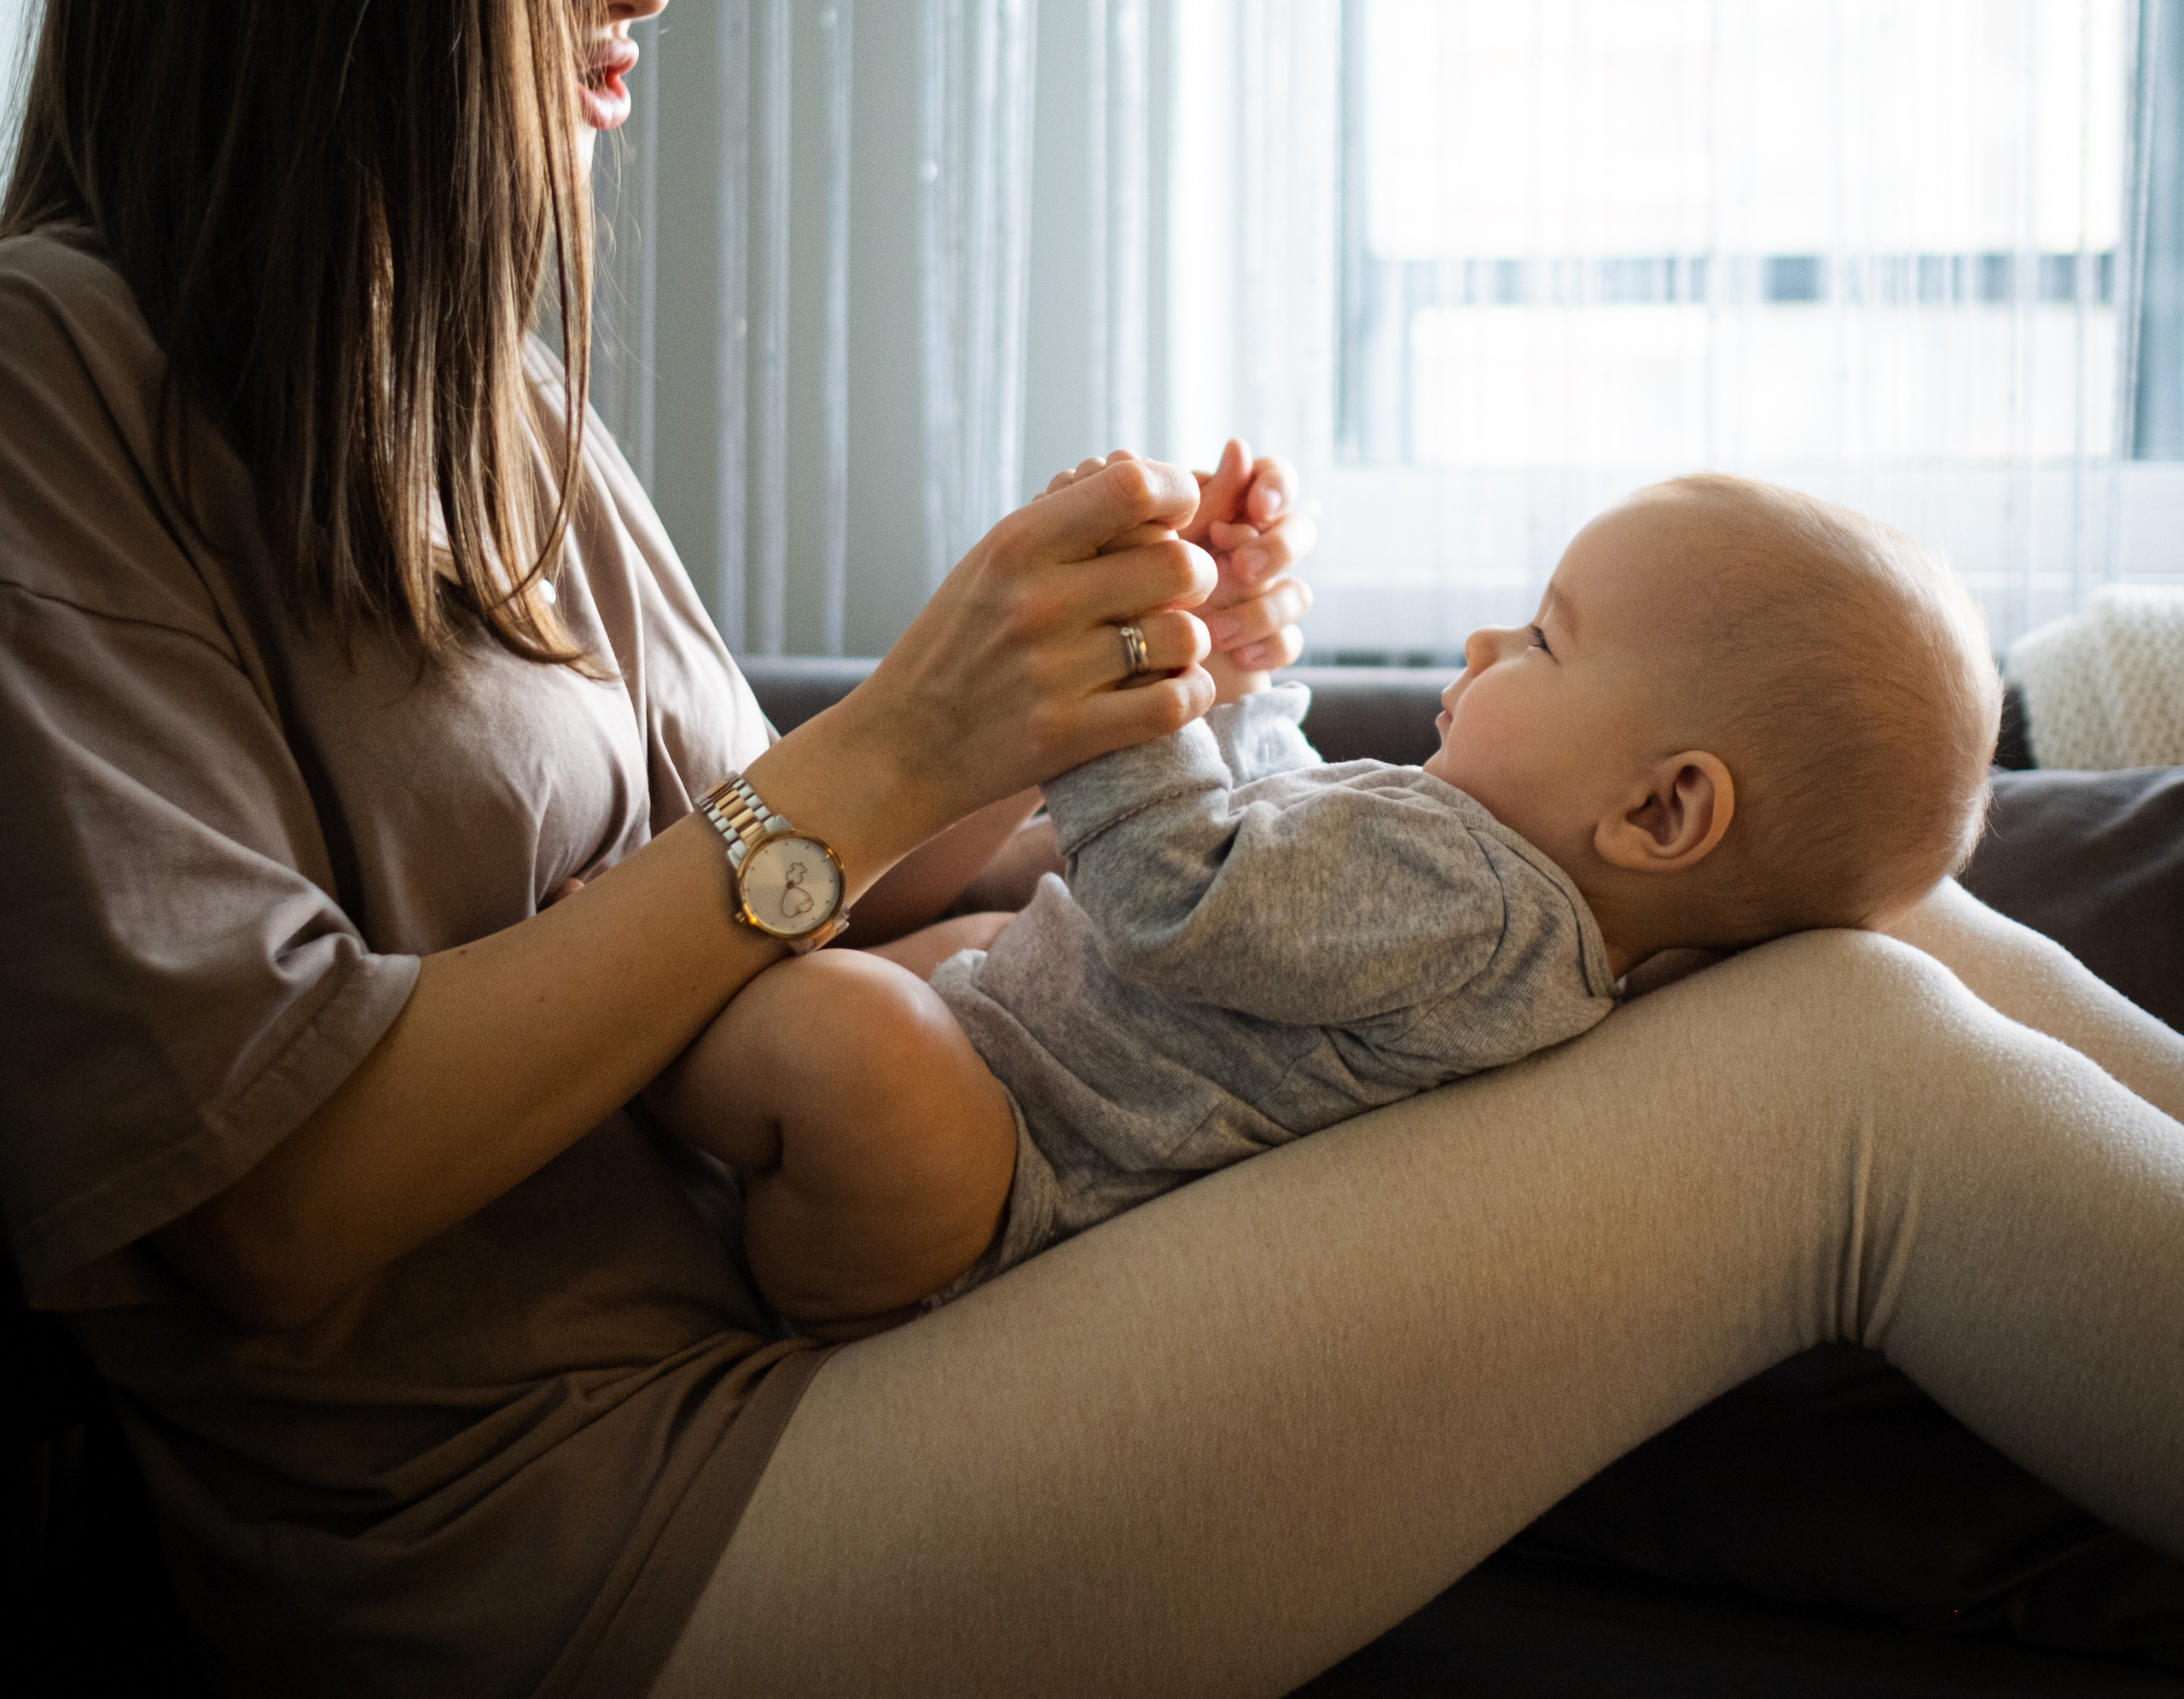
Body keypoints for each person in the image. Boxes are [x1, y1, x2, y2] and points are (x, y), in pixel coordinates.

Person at [3, 0, 2183, 1699]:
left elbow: (794, 885)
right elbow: (283, 1204)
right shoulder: (57, 397)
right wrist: (887, 752)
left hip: (817, 1325)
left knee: (1836, 889)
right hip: (560, 1557)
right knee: (1838, 1082)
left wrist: (1116, 699)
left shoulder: (481, 388)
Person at [647, 474, 2001, 1332]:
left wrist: (1140, 690)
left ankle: (631, 1045)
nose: (1482, 644)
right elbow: (1275, 853)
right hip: (1024, 1071)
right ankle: (674, 1023)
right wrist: (1233, 688)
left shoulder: (1480, 902)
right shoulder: (1473, 884)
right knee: (972, 935)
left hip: (1007, 1177)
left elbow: (1185, 900)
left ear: (1659, 813)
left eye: (1541, 639)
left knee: (861, 1042)